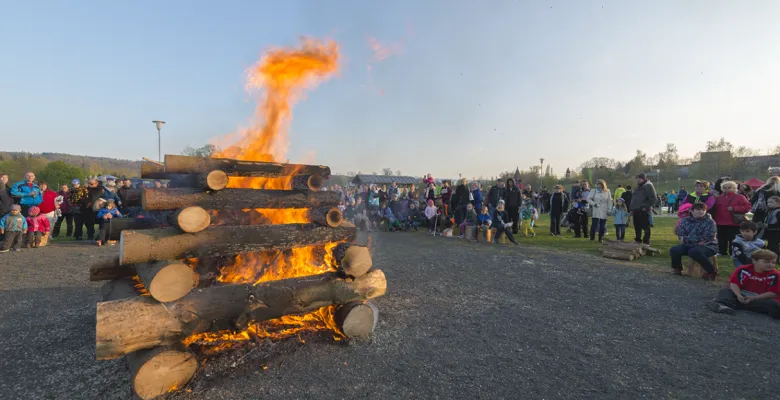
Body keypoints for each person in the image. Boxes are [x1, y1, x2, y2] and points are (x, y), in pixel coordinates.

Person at [706, 249, 780, 318]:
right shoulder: (743, 269)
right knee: (726, 291)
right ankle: (722, 305)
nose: (770, 264)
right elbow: (734, 283)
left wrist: (754, 298)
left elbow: (774, 293)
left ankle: (730, 304)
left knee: (773, 304)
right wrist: (738, 295)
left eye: (773, 262)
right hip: (743, 296)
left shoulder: (776, 274)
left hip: (760, 299)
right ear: (754, 261)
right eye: (766, 262)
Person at [670, 202, 718, 280]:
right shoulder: (685, 220)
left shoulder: (710, 222)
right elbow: (681, 234)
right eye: (698, 209)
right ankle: (677, 268)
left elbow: (708, 236)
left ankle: (711, 271)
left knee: (694, 252)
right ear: (692, 211)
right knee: (675, 250)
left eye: (703, 210)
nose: (700, 211)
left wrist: (687, 239)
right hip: (689, 245)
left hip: (709, 245)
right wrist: (692, 240)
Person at [712, 180, 752, 256]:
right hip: (720, 221)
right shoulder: (718, 198)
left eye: (729, 187)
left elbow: (748, 207)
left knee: (732, 239)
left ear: (734, 188)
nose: (726, 189)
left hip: (733, 222)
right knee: (721, 238)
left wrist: (735, 208)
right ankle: (721, 251)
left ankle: (732, 252)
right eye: (724, 187)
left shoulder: (740, 197)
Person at [629, 173, 657, 245]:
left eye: (639, 178)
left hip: (643, 210)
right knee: (637, 227)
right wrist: (632, 209)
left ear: (643, 179)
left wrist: (645, 207)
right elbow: (634, 199)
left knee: (645, 227)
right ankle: (637, 240)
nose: (637, 180)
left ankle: (646, 241)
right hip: (636, 210)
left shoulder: (648, 186)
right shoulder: (638, 188)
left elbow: (653, 199)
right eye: (637, 178)